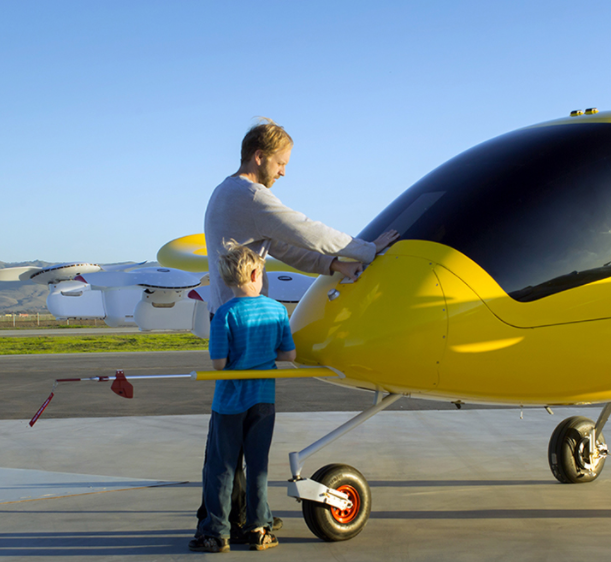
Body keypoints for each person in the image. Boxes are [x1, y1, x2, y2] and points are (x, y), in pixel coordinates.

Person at [193, 117, 398, 544]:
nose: (284, 171)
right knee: (242, 433)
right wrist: (368, 250)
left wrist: (333, 265)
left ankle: (236, 517)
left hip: (231, 319)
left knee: (230, 431)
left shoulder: (226, 194)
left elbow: (284, 248)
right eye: (281, 163)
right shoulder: (251, 195)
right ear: (259, 157)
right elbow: (304, 230)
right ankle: (228, 522)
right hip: (246, 326)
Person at [190, 241, 295, 553]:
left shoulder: (225, 313)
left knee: (222, 467)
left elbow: (218, 363)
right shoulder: (277, 310)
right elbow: (289, 354)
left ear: (227, 279)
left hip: (229, 402)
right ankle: (259, 529)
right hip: (263, 398)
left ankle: (216, 533)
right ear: (254, 274)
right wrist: (264, 354)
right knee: (258, 467)